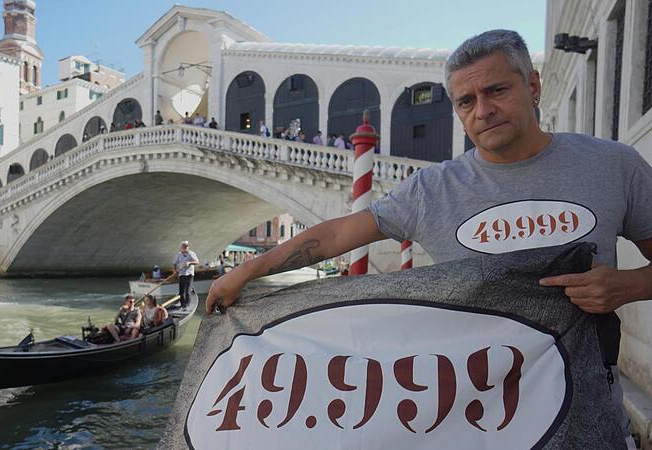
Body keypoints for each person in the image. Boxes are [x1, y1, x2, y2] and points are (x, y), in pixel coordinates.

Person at [206, 29, 652, 447]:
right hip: (473, 423)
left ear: (533, 86)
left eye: (497, 90)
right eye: (465, 101)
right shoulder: (432, 190)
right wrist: (247, 271)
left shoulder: (614, 166)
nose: (482, 110)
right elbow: (339, 233)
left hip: (588, 423)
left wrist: (628, 286)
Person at [172, 240, 199, 309]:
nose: (185, 248)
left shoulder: (191, 254)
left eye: (186, 246)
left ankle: (187, 305)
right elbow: (174, 263)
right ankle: (182, 305)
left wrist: (189, 262)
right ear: (181, 247)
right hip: (181, 274)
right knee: (181, 292)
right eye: (184, 247)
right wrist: (175, 271)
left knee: (187, 291)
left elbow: (197, 262)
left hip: (189, 274)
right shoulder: (179, 254)